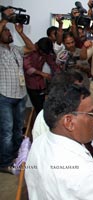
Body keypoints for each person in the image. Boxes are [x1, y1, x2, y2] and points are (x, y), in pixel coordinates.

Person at [0, 8, 35, 174]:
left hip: (20, 95)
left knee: (17, 128)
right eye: (6, 31)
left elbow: (32, 47)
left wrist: (20, 32)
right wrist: (5, 20)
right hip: (4, 96)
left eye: (9, 31)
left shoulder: (15, 49)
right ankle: (4, 163)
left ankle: (15, 156)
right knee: (6, 131)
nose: (8, 33)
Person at [23, 37, 61, 113]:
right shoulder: (29, 51)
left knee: (44, 106)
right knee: (39, 108)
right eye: (43, 53)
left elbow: (52, 64)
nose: (44, 54)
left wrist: (60, 74)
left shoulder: (45, 51)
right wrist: (42, 74)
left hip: (41, 84)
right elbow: (27, 68)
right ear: (38, 48)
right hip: (31, 84)